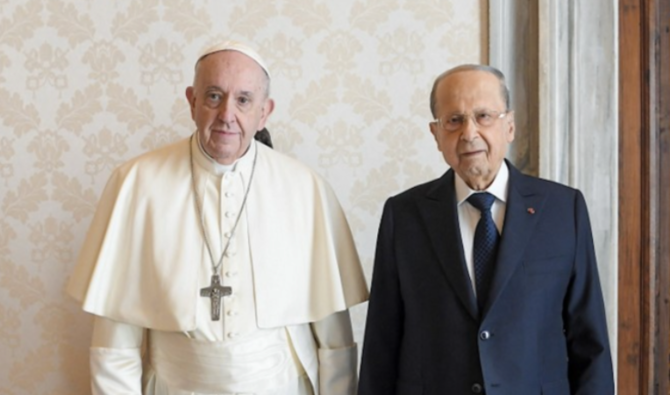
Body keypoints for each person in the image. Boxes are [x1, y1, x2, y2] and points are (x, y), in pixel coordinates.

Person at [67, 41, 368, 395]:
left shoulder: (306, 189)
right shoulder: (136, 183)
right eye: (213, 96)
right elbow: (114, 346)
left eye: (243, 100)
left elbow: (335, 342)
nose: (227, 114)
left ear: (264, 112)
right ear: (192, 101)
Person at [358, 64, 614, 394]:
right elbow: (382, 342)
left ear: (509, 125)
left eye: (483, 117)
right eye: (454, 120)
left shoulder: (564, 210)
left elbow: (590, 342)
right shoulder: (404, 215)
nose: (469, 133)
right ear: (436, 135)